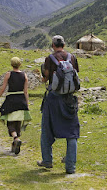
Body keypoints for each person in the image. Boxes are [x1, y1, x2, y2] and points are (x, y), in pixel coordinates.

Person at [38, 35, 80, 174]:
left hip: (54, 99)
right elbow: (75, 76)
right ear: (64, 44)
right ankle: (70, 167)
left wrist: (43, 76)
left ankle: (47, 160)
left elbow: (45, 78)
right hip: (69, 99)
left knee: (46, 129)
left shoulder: (50, 59)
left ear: (53, 45)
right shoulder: (72, 57)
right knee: (72, 133)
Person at [0, 57, 31, 154]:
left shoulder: (8, 74)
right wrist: (27, 103)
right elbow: (26, 91)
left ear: (11, 64)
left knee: (10, 122)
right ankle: (15, 143)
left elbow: (2, 89)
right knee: (18, 122)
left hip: (11, 100)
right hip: (21, 100)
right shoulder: (25, 75)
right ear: (20, 64)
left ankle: (15, 138)